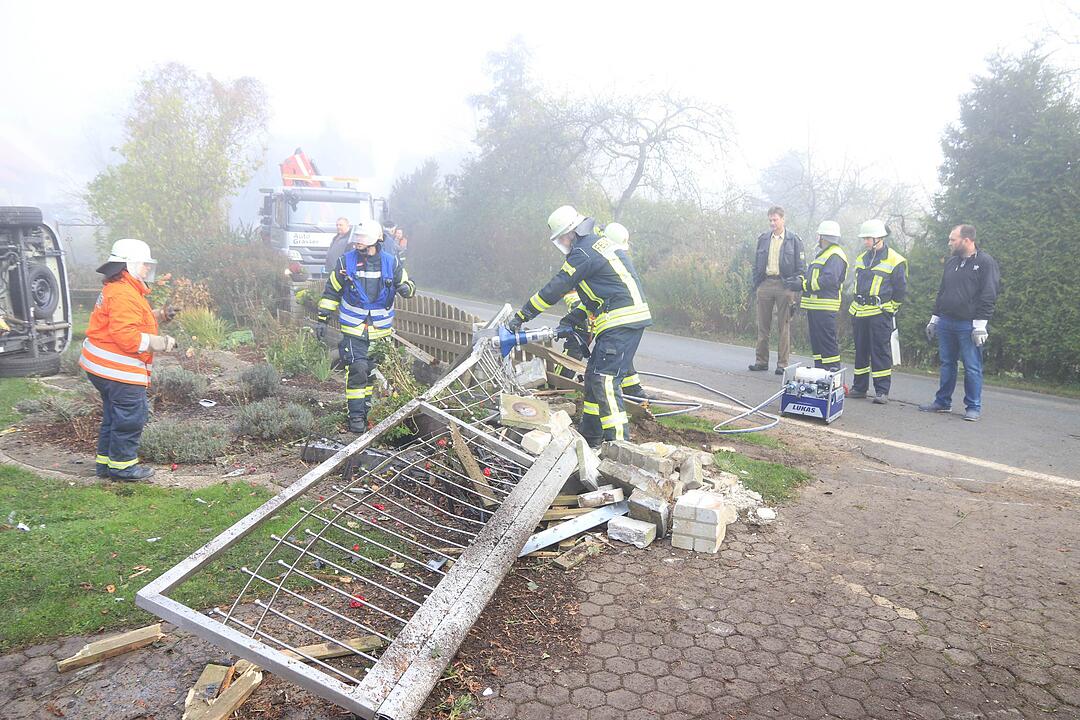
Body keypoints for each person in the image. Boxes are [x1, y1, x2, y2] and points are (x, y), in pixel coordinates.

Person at [507, 207, 651, 447]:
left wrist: (522, 315)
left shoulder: (583, 253)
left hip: (620, 320)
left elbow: (555, 288)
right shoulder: (597, 245)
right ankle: (591, 438)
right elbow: (600, 295)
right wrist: (572, 319)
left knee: (604, 381)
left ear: (574, 231)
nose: (562, 243)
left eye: (563, 237)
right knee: (593, 378)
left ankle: (619, 445)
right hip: (621, 318)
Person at [79, 239, 177, 481]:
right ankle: (123, 468)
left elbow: (131, 320)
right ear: (129, 264)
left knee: (114, 416)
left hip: (103, 368)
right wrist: (162, 342)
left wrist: (160, 315)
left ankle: (106, 464)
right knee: (130, 417)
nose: (147, 269)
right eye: (144, 264)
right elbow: (128, 337)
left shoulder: (121, 288)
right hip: (118, 371)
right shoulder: (124, 293)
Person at [316, 219, 416, 433]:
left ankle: (366, 412)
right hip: (354, 329)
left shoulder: (391, 262)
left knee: (370, 373)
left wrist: (407, 289)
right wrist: (322, 319)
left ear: (374, 240)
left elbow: (407, 283)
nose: (356, 245)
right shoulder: (346, 263)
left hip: (380, 331)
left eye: (360, 242)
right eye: (356, 241)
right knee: (358, 369)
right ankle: (356, 420)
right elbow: (332, 291)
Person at [552, 222, 647, 399]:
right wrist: (577, 309)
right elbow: (571, 287)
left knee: (615, 352)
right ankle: (557, 387)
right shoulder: (586, 254)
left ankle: (634, 392)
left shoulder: (609, 256)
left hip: (605, 315)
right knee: (575, 349)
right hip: (585, 312)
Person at [919, 224, 1000, 421]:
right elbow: (942, 291)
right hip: (946, 322)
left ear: (966, 240)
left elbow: (989, 294)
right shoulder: (951, 262)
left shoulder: (985, 262)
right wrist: (934, 319)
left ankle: (973, 407)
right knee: (947, 363)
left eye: (952, 239)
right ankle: (943, 402)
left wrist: (980, 325)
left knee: (972, 367)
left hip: (969, 325)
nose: (949, 243)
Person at [848, 219, 907, 404]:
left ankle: (882, 391)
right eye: (864, 238)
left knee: (880, 352)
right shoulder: (861, 258)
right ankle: (859, 388)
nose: (865, 241)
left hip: (880, 313)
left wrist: (891, 308)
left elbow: (901, 289)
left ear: (879, 238)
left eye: (868, 238)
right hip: (859, 312)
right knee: (860, 351)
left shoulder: (895, 260)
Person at [750, 206, 805, 375]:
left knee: (784, 326)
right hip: (765, 283)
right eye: (770, 220)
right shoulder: (763, 238)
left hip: (785, 285)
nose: (772, 223)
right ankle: (761, 361)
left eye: (775, 219)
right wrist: (757, 284)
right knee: (763, 326)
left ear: (783, 219)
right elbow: (756, 263)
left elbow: (802, 268)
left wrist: (793, 287)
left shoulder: (794, 240)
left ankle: (782, 364)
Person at [787, 220, 848, 371]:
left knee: (827, 344)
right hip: (815, 307)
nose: (818, 239)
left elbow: (828, 280)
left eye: (819, 236)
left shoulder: (835, 255)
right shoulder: (823, 254)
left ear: (824, 237)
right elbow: (813, 276)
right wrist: (799, 280)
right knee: (818, 344)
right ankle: (820, 374)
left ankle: (833, 374)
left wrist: (802, 286)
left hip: (825, 307)